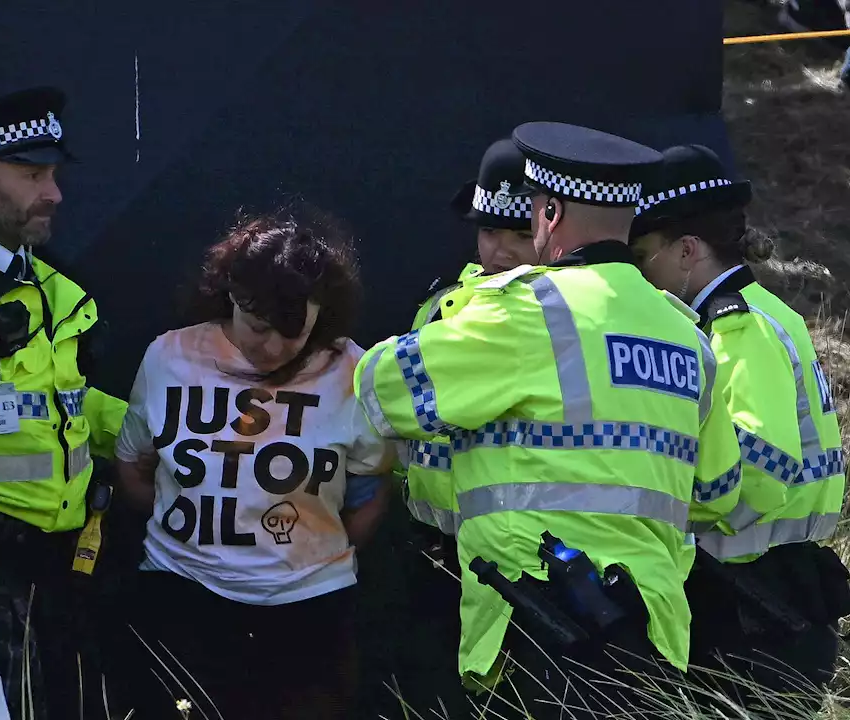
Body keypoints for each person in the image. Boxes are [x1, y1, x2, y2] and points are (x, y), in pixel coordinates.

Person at [355, 122, 745, 720]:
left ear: (551, 211)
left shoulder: (531, 310)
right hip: (655, 632)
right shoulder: (686, 334)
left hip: (537, 625)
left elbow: (386, 391)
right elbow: (719, 491)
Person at [113, 205, 394, 720]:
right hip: (182, 593)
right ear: (230, 297)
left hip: (307, 610)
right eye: (258, 326)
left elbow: (370, 489)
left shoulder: (353, 372)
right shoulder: (169, 358)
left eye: (294, 331)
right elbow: (133, 466)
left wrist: (305, 550)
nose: (272, 347)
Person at [0, 87, 129, 720]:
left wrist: (159, 429)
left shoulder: (52, 284)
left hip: (63, 565)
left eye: (54, 175)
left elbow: (62, 401)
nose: (55, 193)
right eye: (33, 175)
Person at [630, 144, 850, 718]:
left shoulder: (734, 325)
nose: (637, 272)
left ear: (686, 251)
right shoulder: (759, 311)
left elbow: (762, 469)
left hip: (756, 599)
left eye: (643, 254)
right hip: (770, 587)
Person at [395, 137, 540, 720]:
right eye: (488, 230)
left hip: (518, 562)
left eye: (518, 232)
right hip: (430, 550)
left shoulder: (555, 322)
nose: (500, 248)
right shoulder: (438, 309)